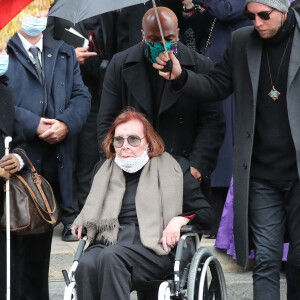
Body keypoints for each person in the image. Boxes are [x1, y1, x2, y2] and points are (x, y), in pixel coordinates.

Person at [154, 0, 300, 299]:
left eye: (264, 15)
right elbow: (216, 86)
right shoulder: (242, 41)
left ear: (283, 10)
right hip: (260, 176)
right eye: (251, 16)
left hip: (298, 174)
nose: (256, 22)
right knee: (266, 261)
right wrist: (181, 76)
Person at [71, 109, 215, 300]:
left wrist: (179, 221)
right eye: (119, 140)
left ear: (148, 142)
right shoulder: (102, 172)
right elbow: (91, 209)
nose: (125, 146)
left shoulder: (175, 169)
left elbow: (207, 214)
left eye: (133, 139)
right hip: (111, 241)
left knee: (111, 257)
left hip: (155, 248)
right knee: (87, 263)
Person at [5, 8, 91, 300]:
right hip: (16, 163)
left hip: (53, 165)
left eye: (43, 7)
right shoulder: (5, 50)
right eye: (31, 8)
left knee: (38, 261)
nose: (38, 13)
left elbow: (82, 96)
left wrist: (65, 123)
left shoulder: (63, 51)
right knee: (12, 258)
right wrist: (33, 123)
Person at [97, 7, 225, 196]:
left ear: (178, 34)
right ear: (143, 36)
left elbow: (212, 123)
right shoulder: (120, 65)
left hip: (184, 174)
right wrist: (117, 161)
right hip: (131, 173)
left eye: (169, 39)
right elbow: (107, 121)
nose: (163, 45)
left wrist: (197, 166)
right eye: (155, 40)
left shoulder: (200, 66)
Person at [178, 0, 251, 237]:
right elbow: (210, 22)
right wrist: (190, 9)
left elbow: (228, 10)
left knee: (227, 152)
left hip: (236, 71)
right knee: (217, 149)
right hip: (214, 69)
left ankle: (223, 221)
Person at [47, 7, 117, 241]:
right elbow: (40, 45)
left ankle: (88, 217)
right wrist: (67, 56)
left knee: (90, 154)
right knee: (67, 157)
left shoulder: (103, 7)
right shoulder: (54, 8)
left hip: (96, 91)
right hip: (62, 95)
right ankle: (70, 218)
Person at [0, 46, 27, 299]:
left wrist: (17, 159)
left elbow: (18, 141)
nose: (3, 55)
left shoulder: (4, 92)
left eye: (4, 49)